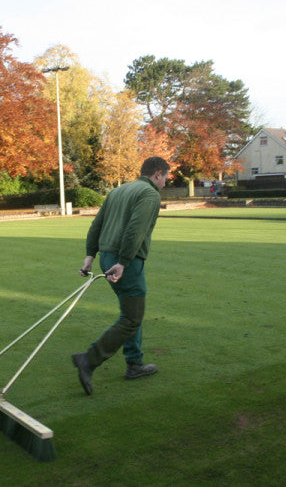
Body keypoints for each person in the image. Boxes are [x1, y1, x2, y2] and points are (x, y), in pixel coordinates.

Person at [71, 156, 170, 396]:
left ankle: (134, 364)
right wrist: (124, 263)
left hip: (107, 256)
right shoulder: (150, 195)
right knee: (132, 318)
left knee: (130, 313)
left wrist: (89, 256)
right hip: (125, 261)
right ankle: (89, 359)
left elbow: (97, 224)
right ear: (157, 174)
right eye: (166, 176)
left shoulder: (118, 191)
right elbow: (135, 230)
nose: (167, 181)